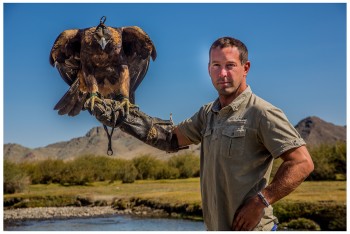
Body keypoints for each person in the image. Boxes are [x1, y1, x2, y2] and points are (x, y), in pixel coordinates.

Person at [88, 36, 314, 231]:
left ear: (245, 68)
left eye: (230, 65)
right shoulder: (208, 113)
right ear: (208, 69)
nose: (222, 73)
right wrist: (123, 119)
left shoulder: (262, 112)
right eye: (216, 65)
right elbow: (169, 138)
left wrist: (261, 201)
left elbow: (302, 163)